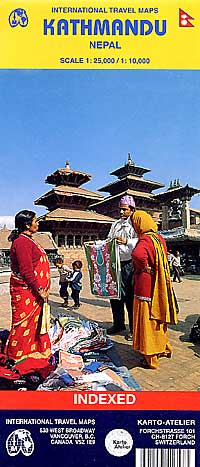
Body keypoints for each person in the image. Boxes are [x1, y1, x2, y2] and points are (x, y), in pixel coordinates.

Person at [131, 210, 178, 369]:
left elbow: (137, 254)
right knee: (157, 317)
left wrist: (143, 267)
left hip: (146, 285)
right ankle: (161, 347)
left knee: (147, 320)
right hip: (159, 286)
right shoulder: (159, 238)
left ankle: (150, 357)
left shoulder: (144, 239)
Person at [6, 210, 51, 361]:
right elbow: (26, 270)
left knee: (35, 322)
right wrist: (40, 290)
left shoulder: (29, 240)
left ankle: (32, 349)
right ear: (27, 224)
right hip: (26, 290)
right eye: (35, 221)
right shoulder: (21, 242)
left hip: (33, 291)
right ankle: (16, 355)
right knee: (22, 323)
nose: (37, 223)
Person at [107, 195, 138, 340]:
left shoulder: (136, 223)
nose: (121, 212)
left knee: (130, 297)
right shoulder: (115, 224)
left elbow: (142, 241)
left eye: (124, 209)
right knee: (115, 295)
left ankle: (134, 328)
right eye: (120, 209)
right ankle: (118, 323)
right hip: (115, 263)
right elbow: (109, 239)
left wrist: (127, 241)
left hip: (129, 264)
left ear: (132, 209)